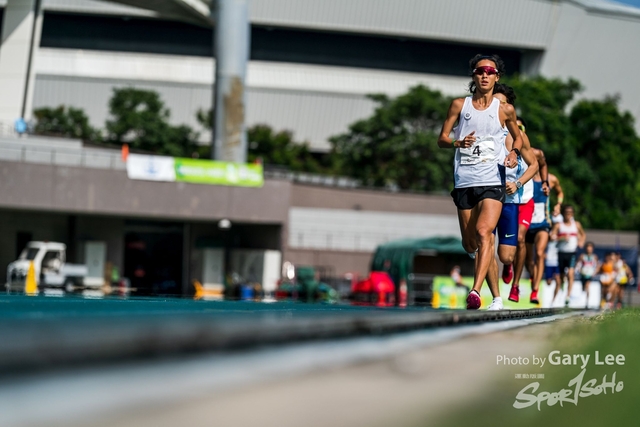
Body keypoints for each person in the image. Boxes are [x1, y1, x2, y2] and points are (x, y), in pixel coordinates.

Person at [438, 54, 523, 310]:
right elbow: (441, 138)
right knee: (470, 244)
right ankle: (494, 293)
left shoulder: (505, 110)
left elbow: (517, 139)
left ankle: (477, 292)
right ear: (474, 76)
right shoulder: (458, 106)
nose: (484, 75)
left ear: (497, 77)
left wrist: (513, 153)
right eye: (480, 71)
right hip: (465, 181)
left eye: (489, 71)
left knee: (484, 233)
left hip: (491, 181)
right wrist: (456, 142)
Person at [525, 170, 563, 305]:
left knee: (540, 253)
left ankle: (535, 290)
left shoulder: (551, 179)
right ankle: (533, 277)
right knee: (528, 261)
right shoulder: (525, 176)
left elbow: (560, 192)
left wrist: (558, 205)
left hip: (543, 223)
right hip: (527, 222)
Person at [550, 205, 586, 306]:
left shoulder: (576, 224)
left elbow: (583, 235)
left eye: (570, 213)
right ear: (563, 214)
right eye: (566, 213)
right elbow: (552, 237)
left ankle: (568, 296)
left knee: (570, 273)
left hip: (572, 253)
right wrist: (560, 238)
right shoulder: (558, 225)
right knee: (561, 276)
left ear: (573, 214)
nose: (568, 215)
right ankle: (562, 288)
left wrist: (581, 242)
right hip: (561, 252)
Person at [575, 242, 599, 309]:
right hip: (583, 274)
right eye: (588, 248)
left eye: (590, 248)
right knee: (583, 288)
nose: (589, 249)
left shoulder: (594, 257)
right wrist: (580, 270)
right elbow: (578, 264)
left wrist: (594, 272)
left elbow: (597, 266)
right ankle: (581, 300)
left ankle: (587, 302)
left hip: (590, 275)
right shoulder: (582, 256)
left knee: (587, 286)